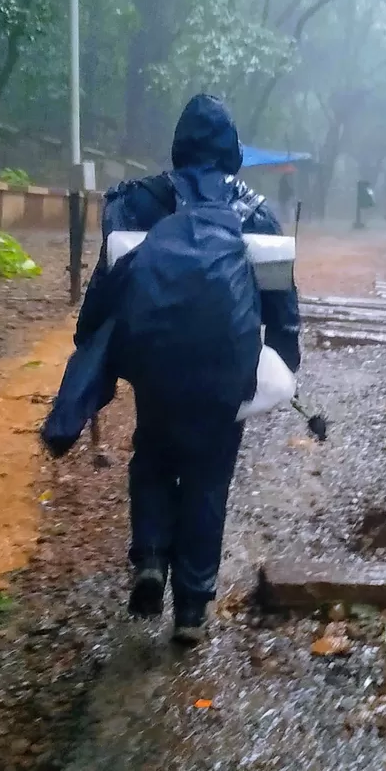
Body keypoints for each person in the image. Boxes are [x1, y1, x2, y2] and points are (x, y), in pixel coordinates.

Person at [74, 94, 300, 644]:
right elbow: (281, 305)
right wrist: (283, 368)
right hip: (227, 365)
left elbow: (110, 278)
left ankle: (151, 555)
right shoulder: (254, 209)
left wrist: (91, 355)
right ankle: (193, 611)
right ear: (232, 152)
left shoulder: (144, 201)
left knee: (152, 453)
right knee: (208, 477)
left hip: (156, 364)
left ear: (178, 148)